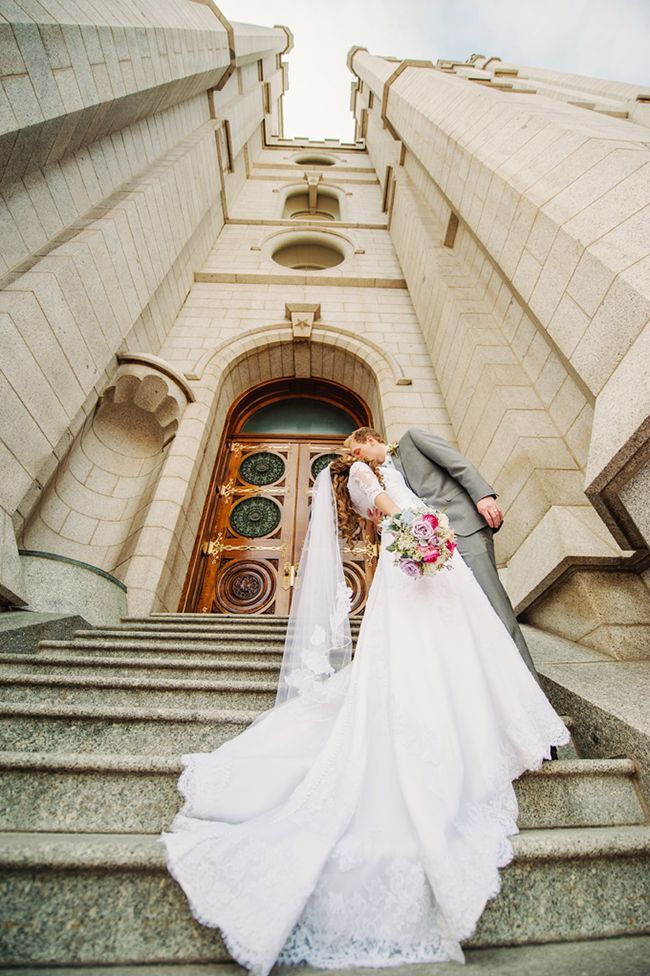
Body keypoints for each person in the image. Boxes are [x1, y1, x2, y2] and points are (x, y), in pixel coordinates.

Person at [160, 450, 571, 976]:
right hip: (416, 555)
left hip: (426, 559)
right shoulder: (360, 472)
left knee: (454, 639)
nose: (381, 447)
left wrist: (430, 531)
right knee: (416, 648)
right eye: (371, 444)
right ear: (360, 448)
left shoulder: (387, 467)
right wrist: (425, 532)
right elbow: (390, 510)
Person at [344, 427, 541, 687]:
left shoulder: (412, 440)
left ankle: (530, 688)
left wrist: (484, 496)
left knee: (493, 606)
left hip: (463, 527)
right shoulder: (381, 474)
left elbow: (457, 464)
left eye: (358, 451)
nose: (359, 458)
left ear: (370, 439)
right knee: (467, 614)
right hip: (434, 547)